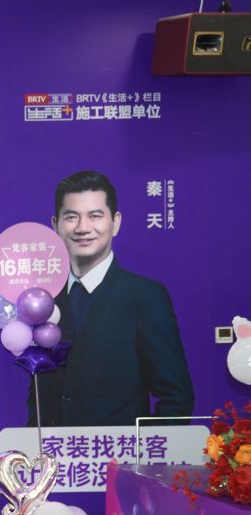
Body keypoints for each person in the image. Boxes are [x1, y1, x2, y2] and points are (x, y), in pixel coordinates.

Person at [31, 170, 193, 426]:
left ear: (115, 222)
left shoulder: (144, 296)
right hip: (56, 451)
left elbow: (176, 398)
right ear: (55, 225)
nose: (83, 228)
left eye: (95, 216)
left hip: (117, 450)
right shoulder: (45, 300)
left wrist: (141, 448)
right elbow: (39, 397)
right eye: (71, 217)